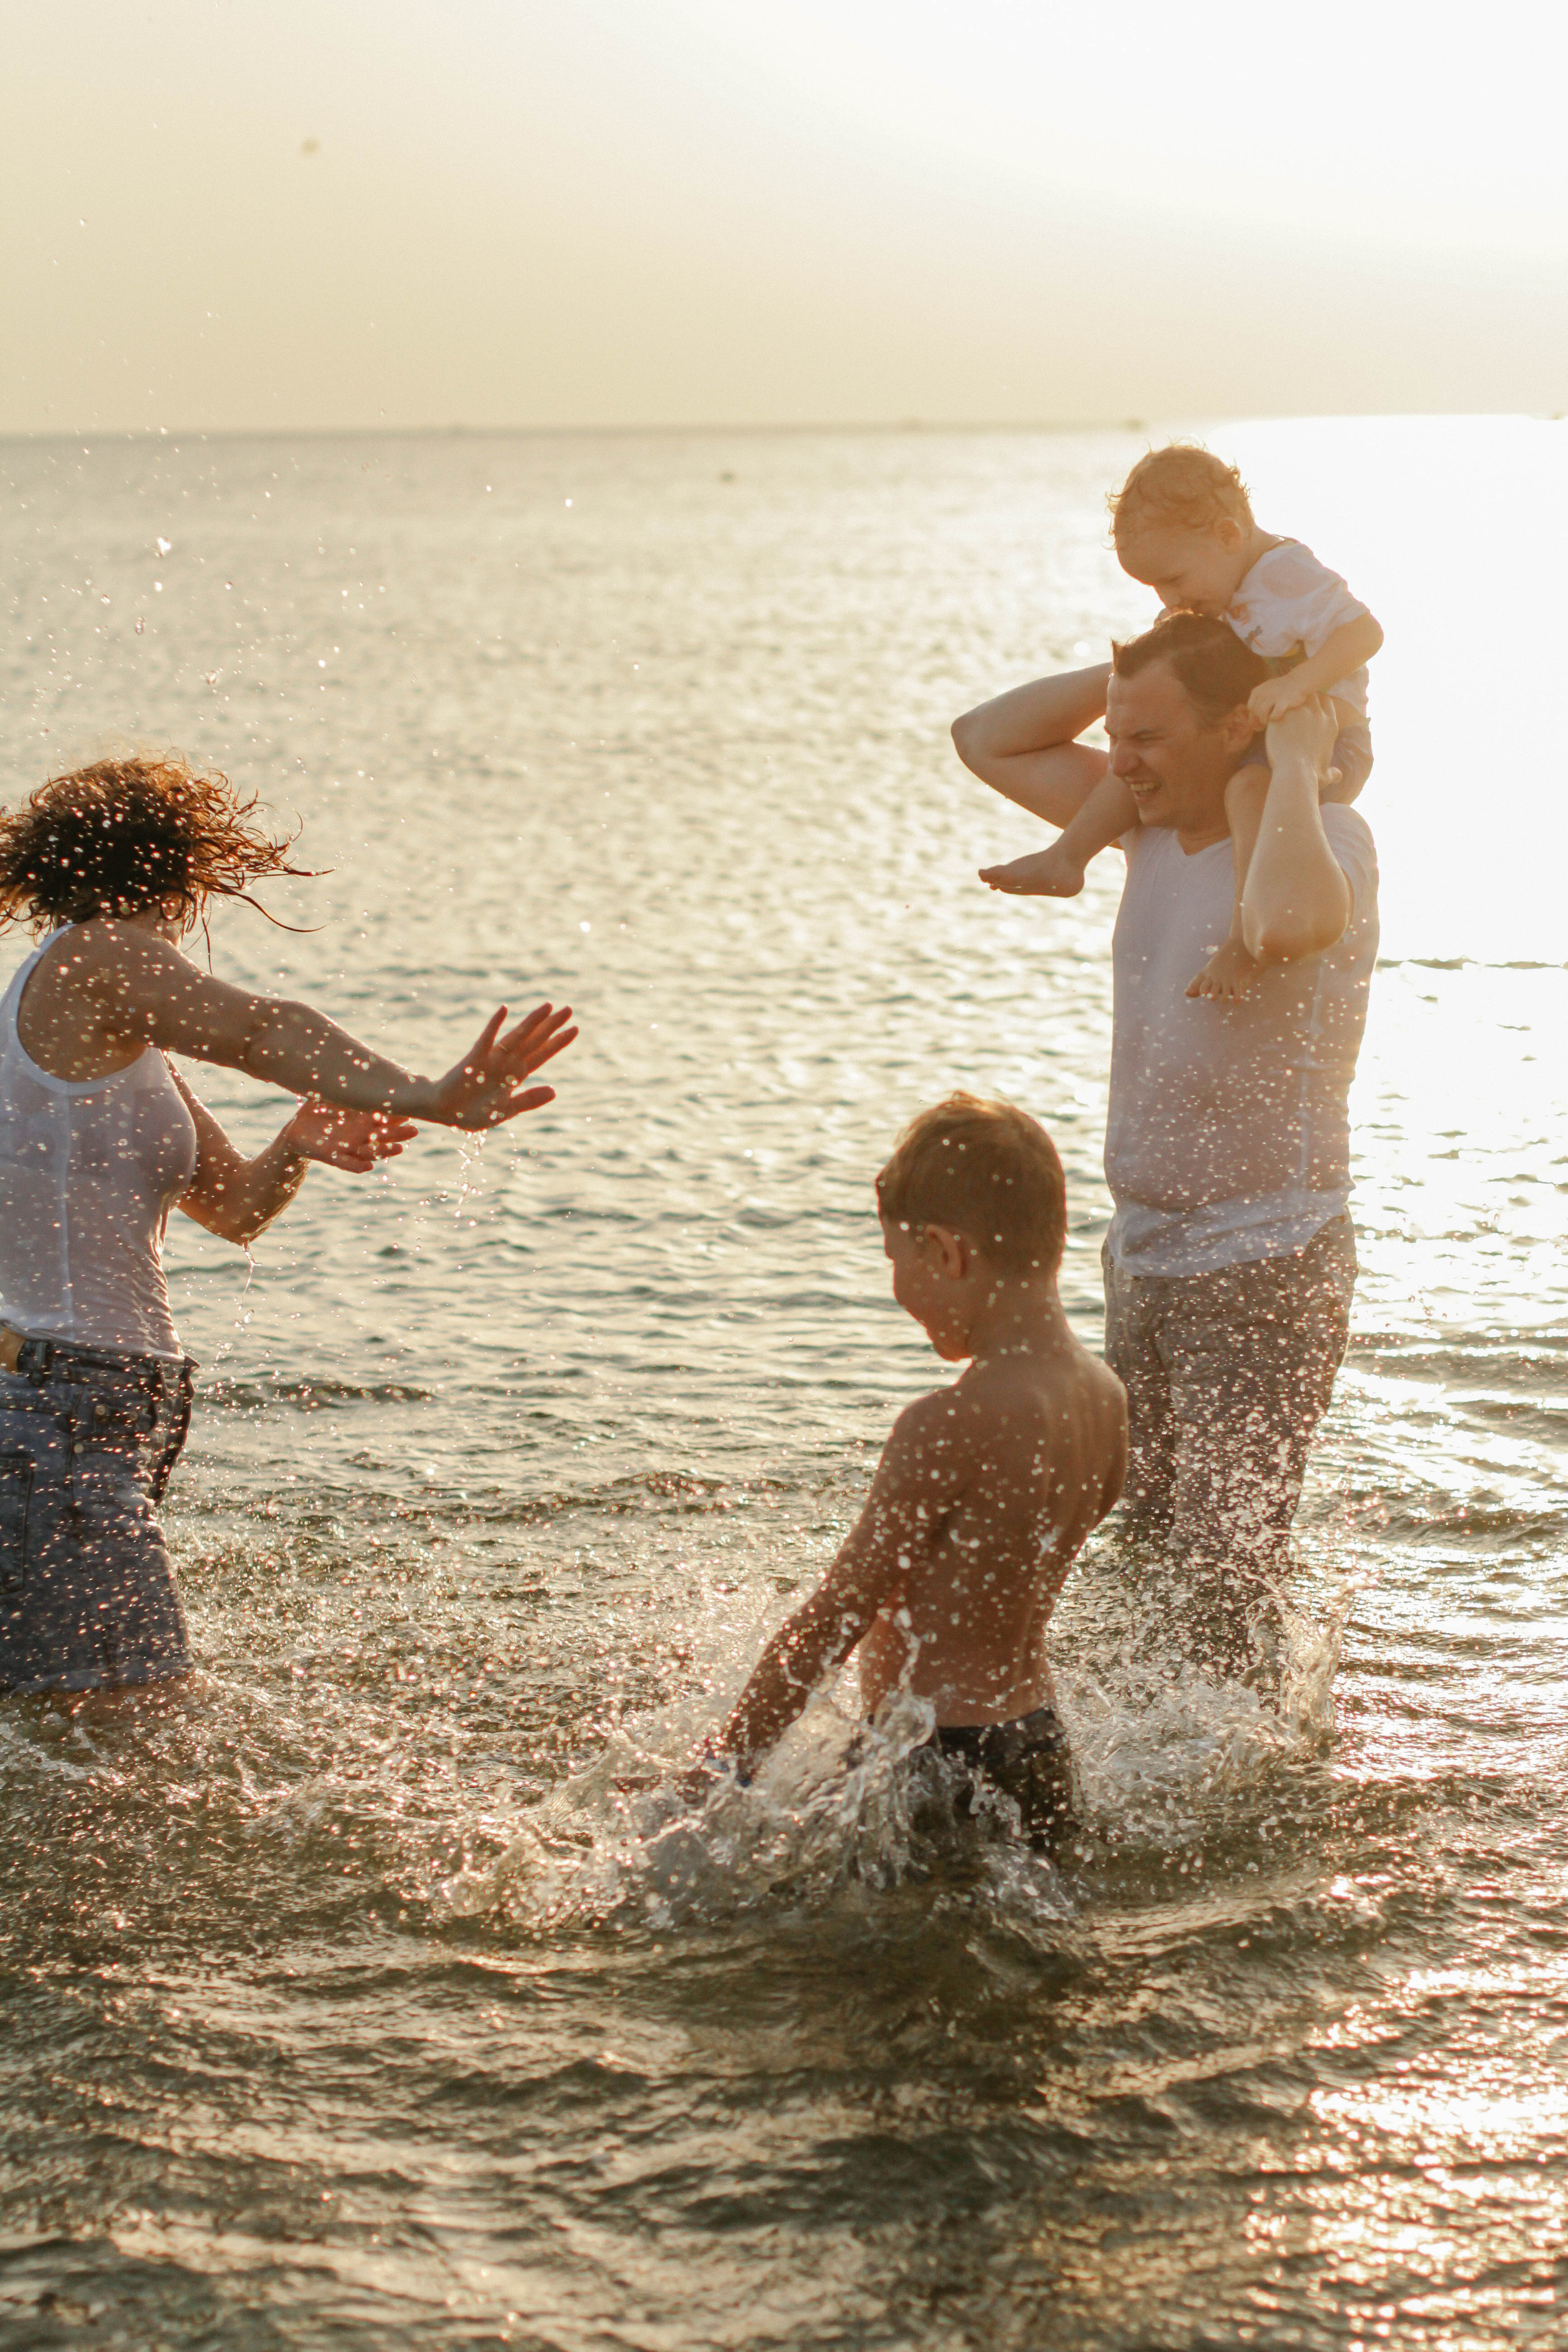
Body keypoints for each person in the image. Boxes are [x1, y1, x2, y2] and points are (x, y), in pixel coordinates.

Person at [0, 752, 576, 1698]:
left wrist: (298, 1142)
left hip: (88, 1414)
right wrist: (429, 1094)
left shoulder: (96, 1022)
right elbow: (265, 1030)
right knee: (132, 1736)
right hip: (65, 1419)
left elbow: (234, 1211)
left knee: (75, 1734)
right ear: (179, 866)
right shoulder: (98, 955)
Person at [953, 614, 1377, 1672]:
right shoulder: (1137, 824)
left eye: (1147, 738)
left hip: (1266, 1259)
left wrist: (1290, 756)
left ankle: (1250, 1792)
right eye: (1113, 732)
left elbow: (1279, 928)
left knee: (1228, 1574)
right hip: (1143, 1257)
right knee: (1148, 1548)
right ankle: (1162, 1786)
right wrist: (1133, 682)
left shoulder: (1326, 841)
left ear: (1235, 725)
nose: (1121, 759)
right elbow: (984, 737)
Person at [691, 1096, 1126, 1849]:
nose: (899, 1292)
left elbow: (834, 1617)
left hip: (935, 1764)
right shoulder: (1104, 1398)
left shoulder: (950, 1422)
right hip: (1039, 1748)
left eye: (897, 1261)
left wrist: (718, 1774)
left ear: (945, 1253)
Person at [982, 443, 1383, 1001]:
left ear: (1225, 536)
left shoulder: (1288, 574)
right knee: (1130, 768)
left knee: (1247, 787)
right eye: (1154, 589)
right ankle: (1069, 856)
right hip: (1258, 737)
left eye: (1173, 579)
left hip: (1327, 744)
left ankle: (1242, 941)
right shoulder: (1221, 592)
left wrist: (1298, 685)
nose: (1169, 599)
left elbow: (1365, 635)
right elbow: (980, 738)